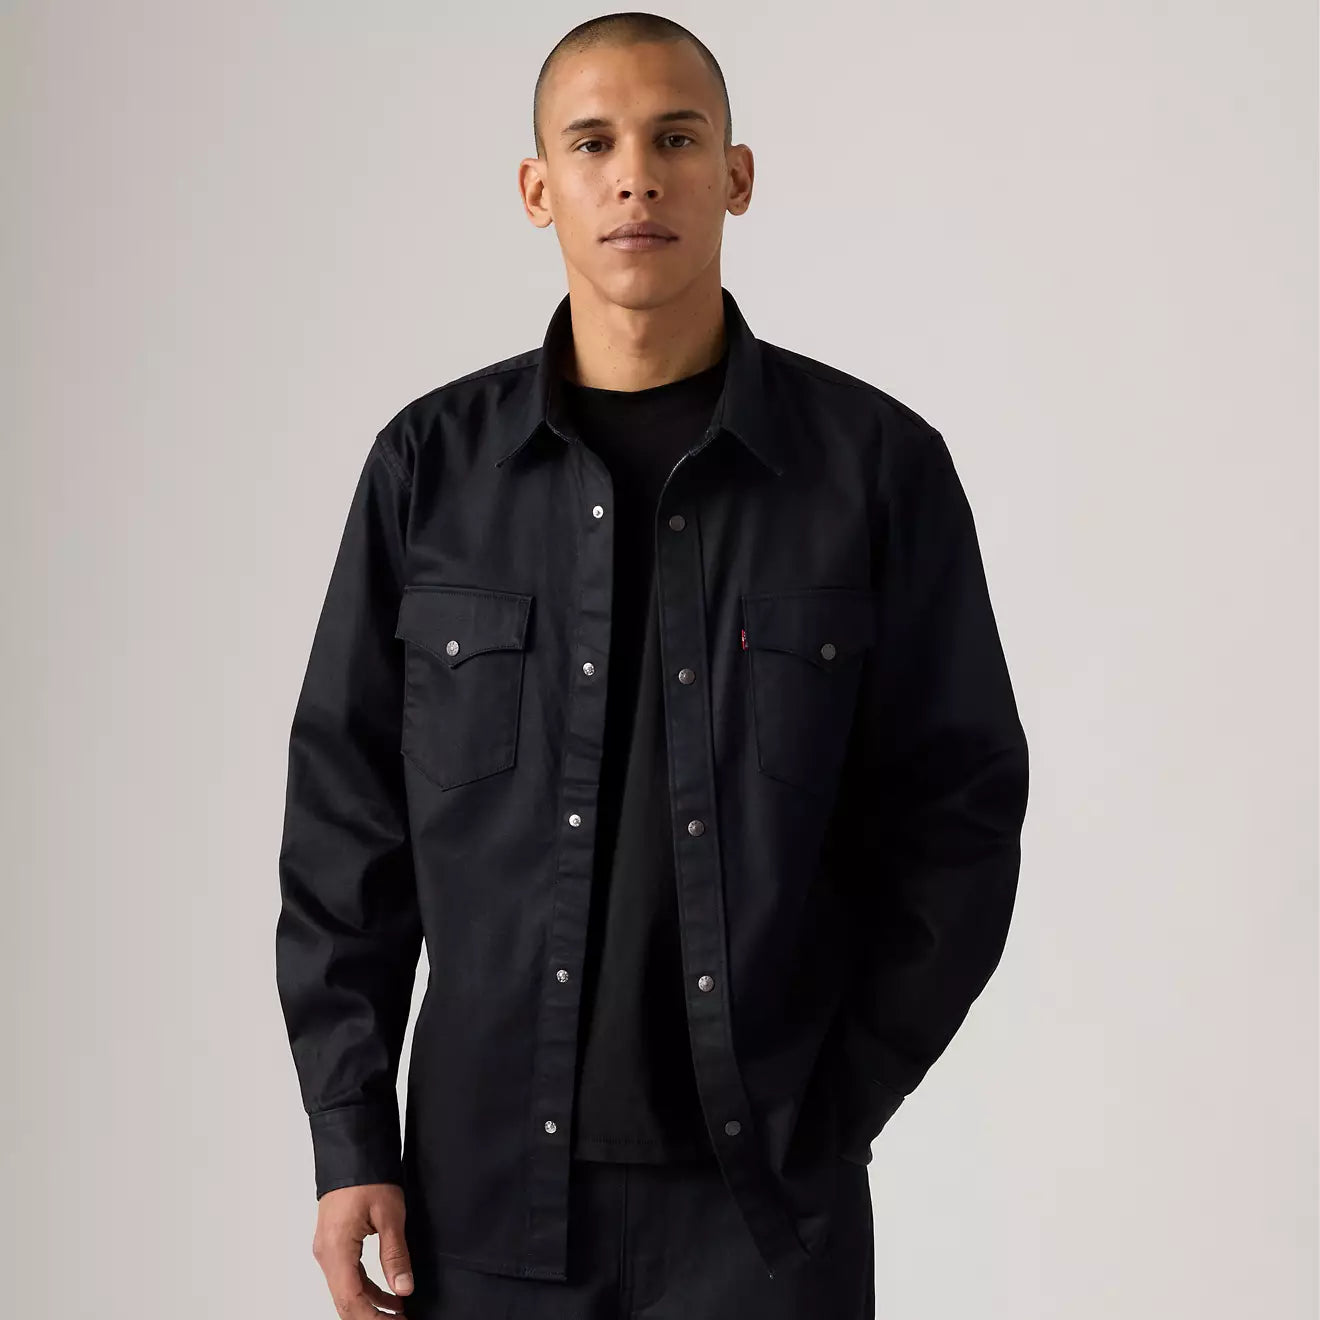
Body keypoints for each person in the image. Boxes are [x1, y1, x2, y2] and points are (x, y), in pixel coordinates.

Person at [275, 11, 1030, 1318]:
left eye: (676, 139)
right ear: (539, 189)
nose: (636, 177)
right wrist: (350, 1138)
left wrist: (838, 1095)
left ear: (736, 175)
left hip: (764, 1224)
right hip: (483, 1204)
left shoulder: (875, 470)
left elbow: (959, 813)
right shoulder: (429, 473)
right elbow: (347, 826)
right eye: (594, 143)